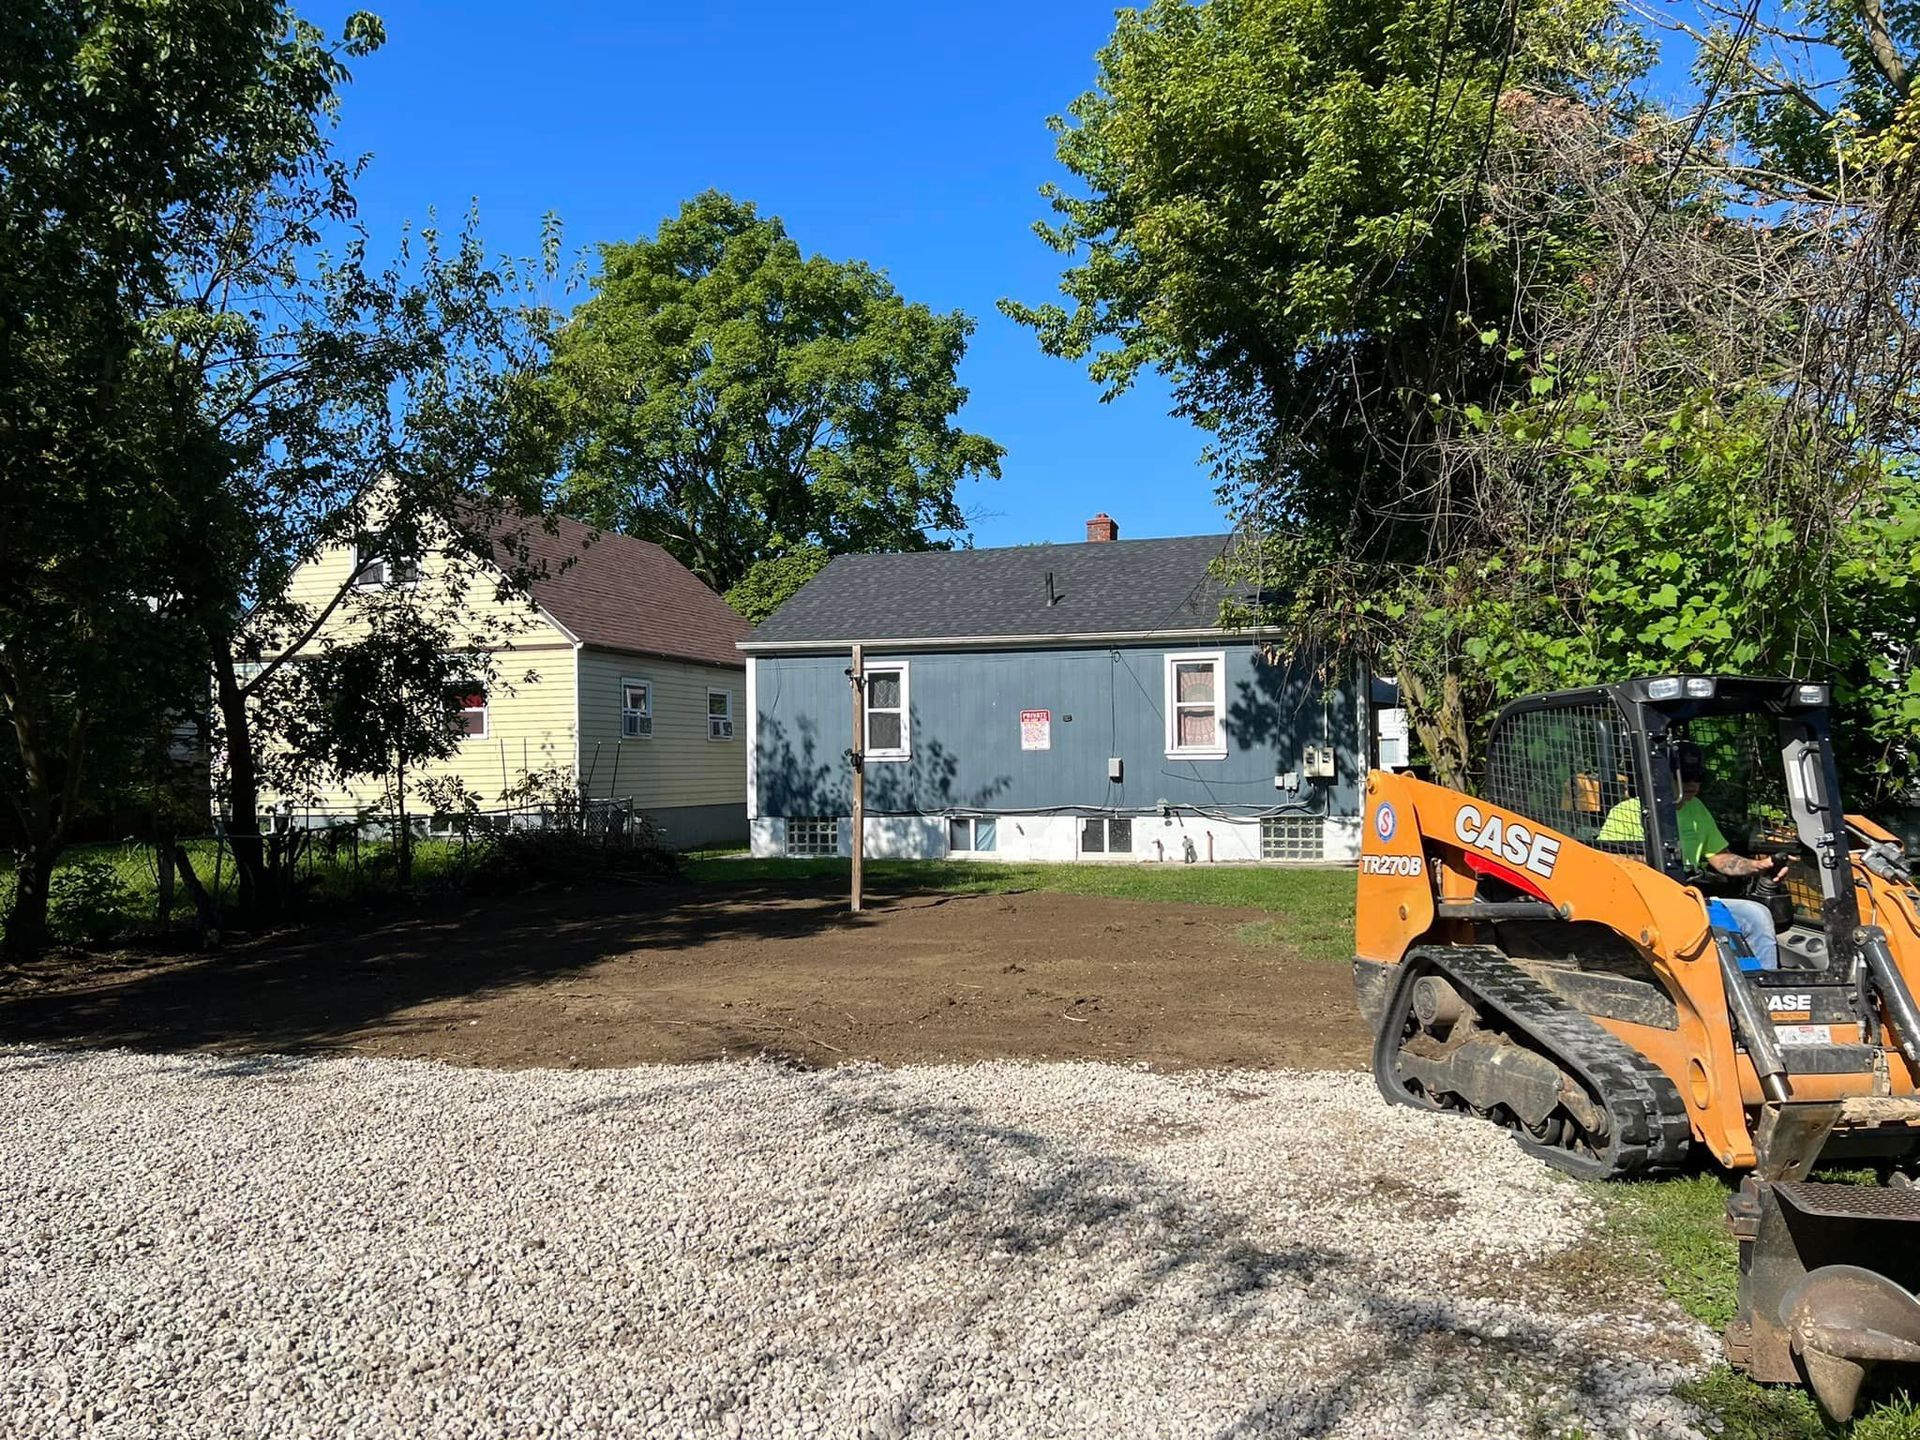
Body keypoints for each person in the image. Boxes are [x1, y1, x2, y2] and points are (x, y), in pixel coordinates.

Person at [1595, 741, 1789, 968]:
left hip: (1691, 899)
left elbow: (1720, 858)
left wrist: (1757, 866)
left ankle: (1764, 981)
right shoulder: (1626, 811)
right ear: (1661, 776)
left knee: (1756, 914)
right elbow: (1607, 863)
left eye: (1698, 778)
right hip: (1643, 903)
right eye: (1685, 777)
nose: (1693, 784)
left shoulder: (1696, 808)